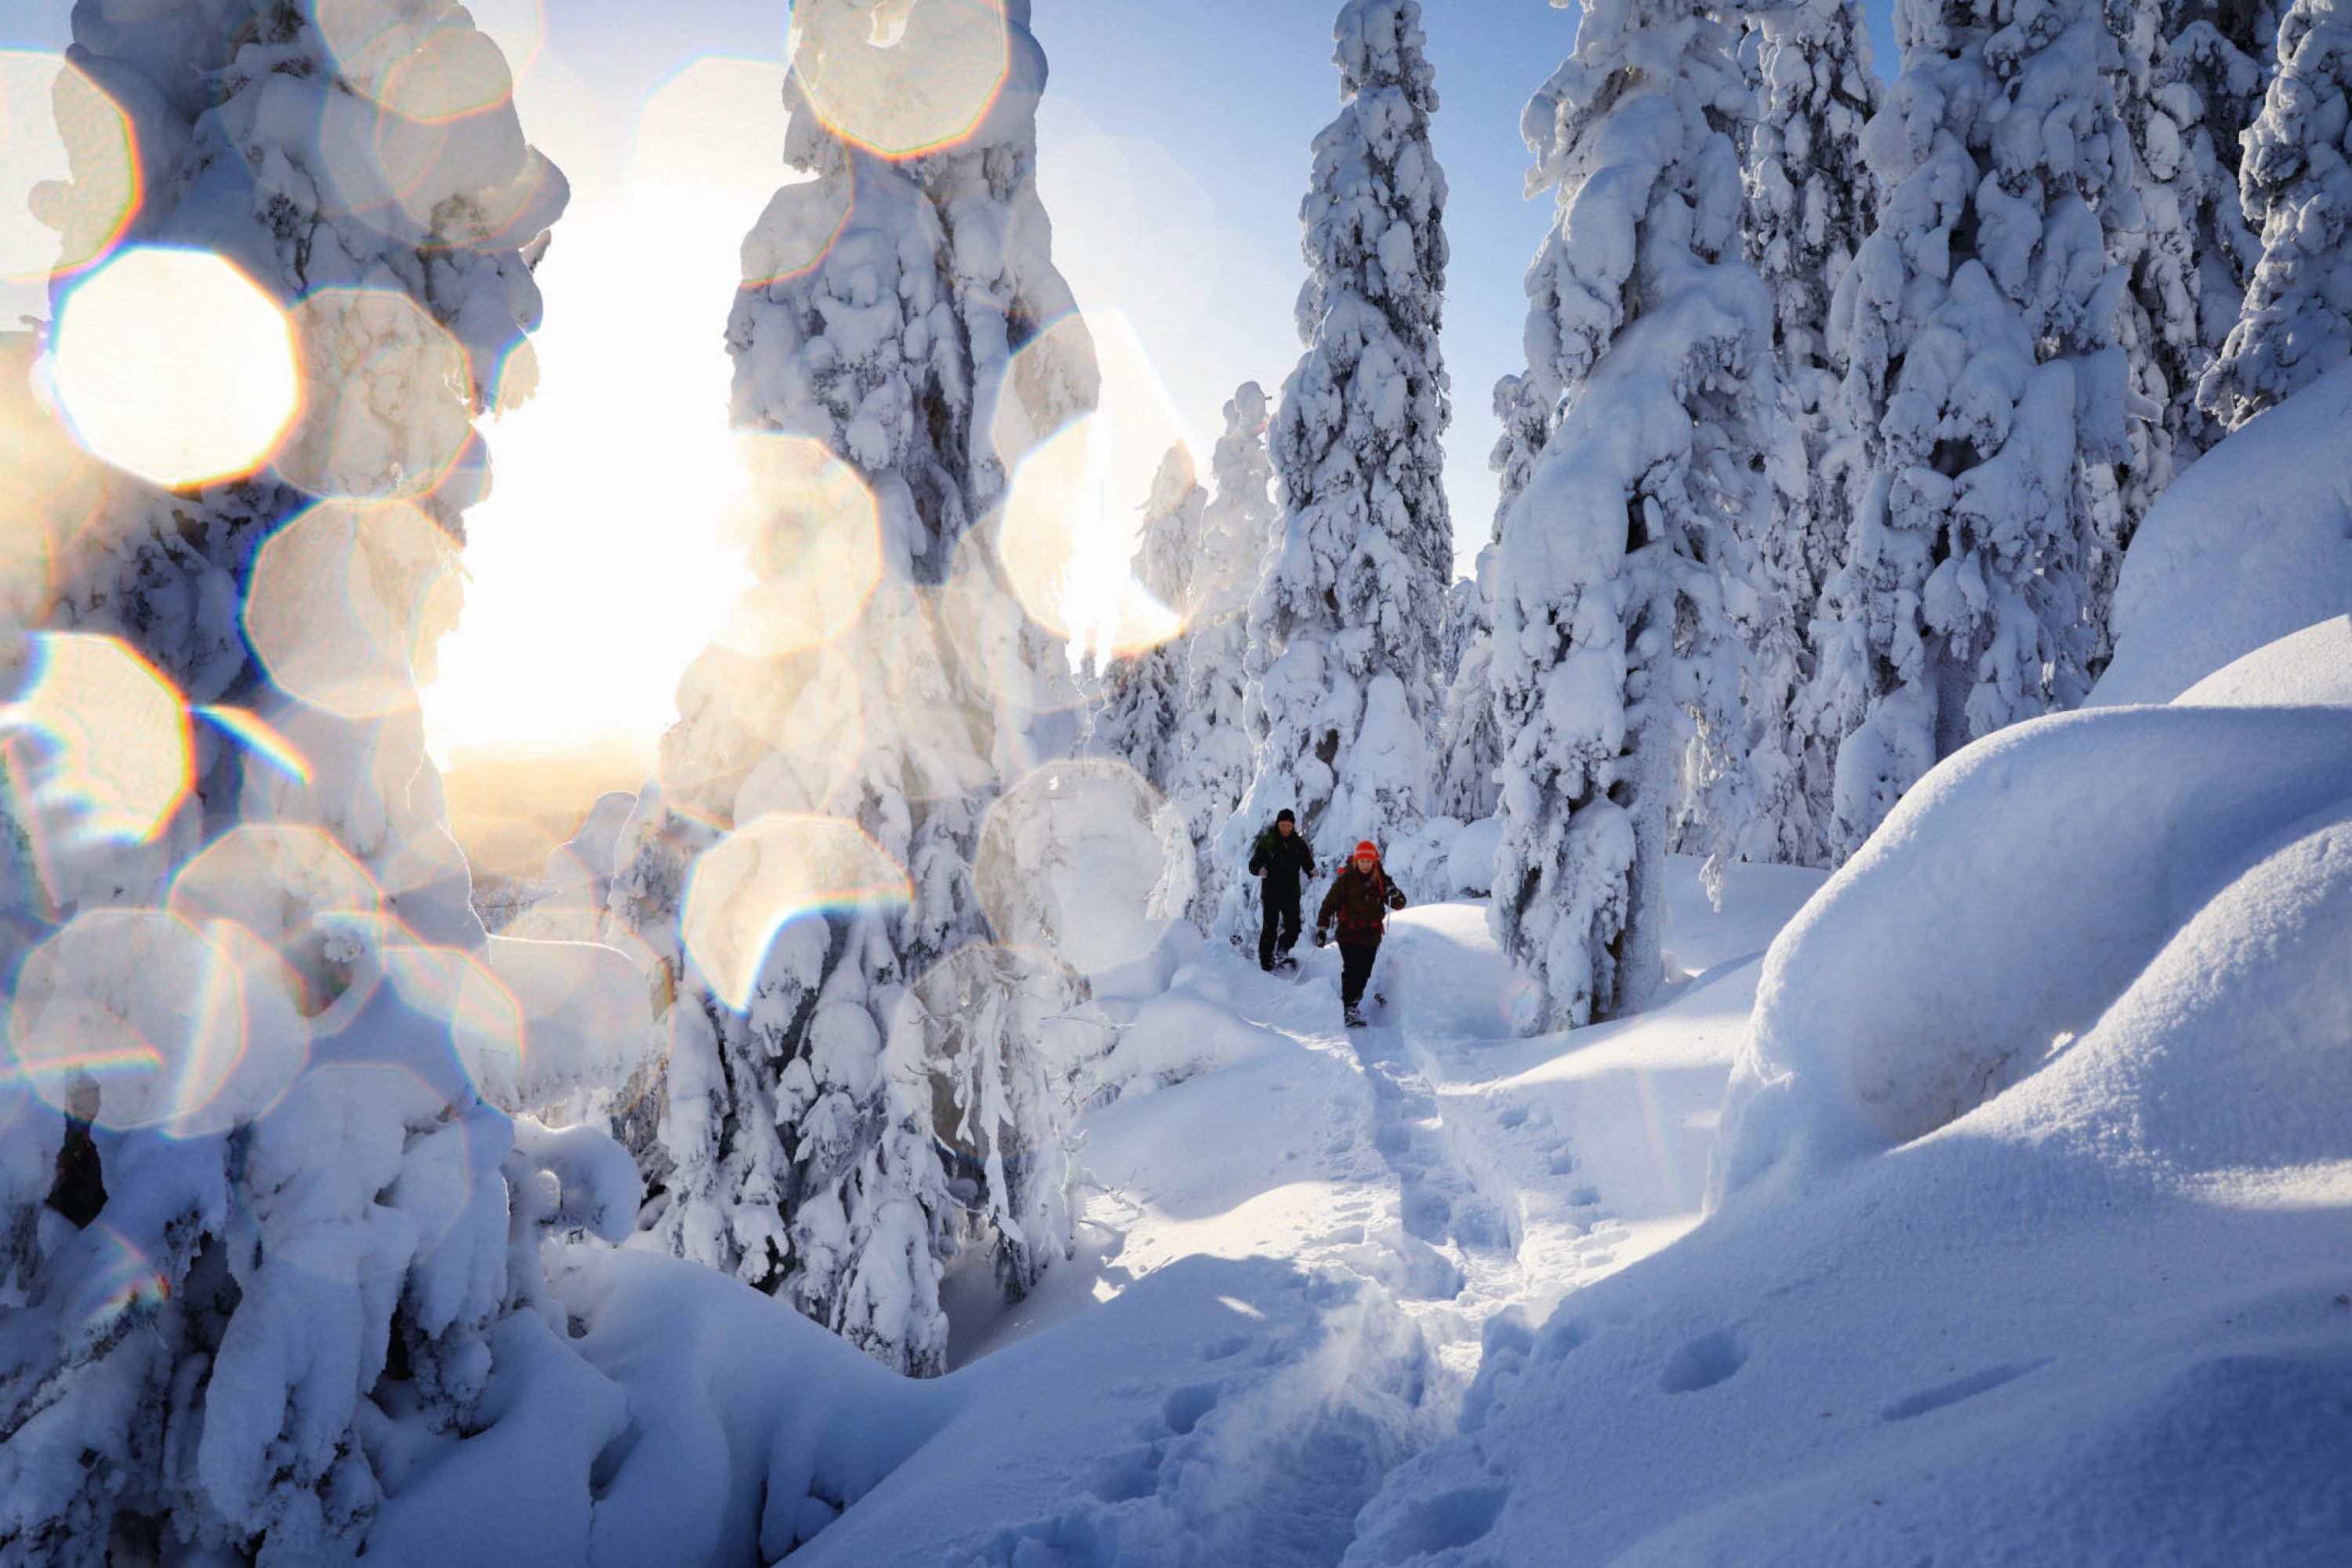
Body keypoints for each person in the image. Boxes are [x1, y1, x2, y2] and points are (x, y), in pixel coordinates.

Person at [1314, 840, 1407, 1028]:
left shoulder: (1381, 879)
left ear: (1374, 862)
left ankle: (1351, 1002)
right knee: (1352, 968)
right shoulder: (1346, 879)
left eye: (1368, 861)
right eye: (1362, 861)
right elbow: (1329, 904)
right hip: (1348, 932)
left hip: (1371, 934)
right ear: (1356, 861)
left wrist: (1394, 892)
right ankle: (1350, 1007)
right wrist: (1322, 928)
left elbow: (1400, 904)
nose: (1365, 865)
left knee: (1364, 971)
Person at [1247, 808, 1314, 972]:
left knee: (1294, 927)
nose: (1286, 829)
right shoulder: (1269, 841)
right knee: (1270, 927)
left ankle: (1282, 950)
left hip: (1291, 893)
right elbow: (1253, 864)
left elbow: (1307, 862)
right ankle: (1266, 962)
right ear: (1278, 824)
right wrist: (1259, 870)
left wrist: (1312, 870)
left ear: (1293, 826)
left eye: (1289, 825)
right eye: (1283, 825)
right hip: (1271, 892)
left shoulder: (1298, 843)